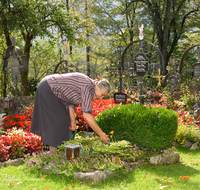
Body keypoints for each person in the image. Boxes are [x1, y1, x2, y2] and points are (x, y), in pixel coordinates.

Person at [30, 72, 110, 154]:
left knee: (64, 120)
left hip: (49, 88)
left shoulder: (89, 86)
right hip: (48, 88)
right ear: (97, 87)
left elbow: (70, 101)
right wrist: (101, 134)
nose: (101, 98)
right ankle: (54, 154)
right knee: (59, 120)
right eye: (102, 95)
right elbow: (86, 115)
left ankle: (58, 153)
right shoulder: (87, 87)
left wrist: (72, 120)